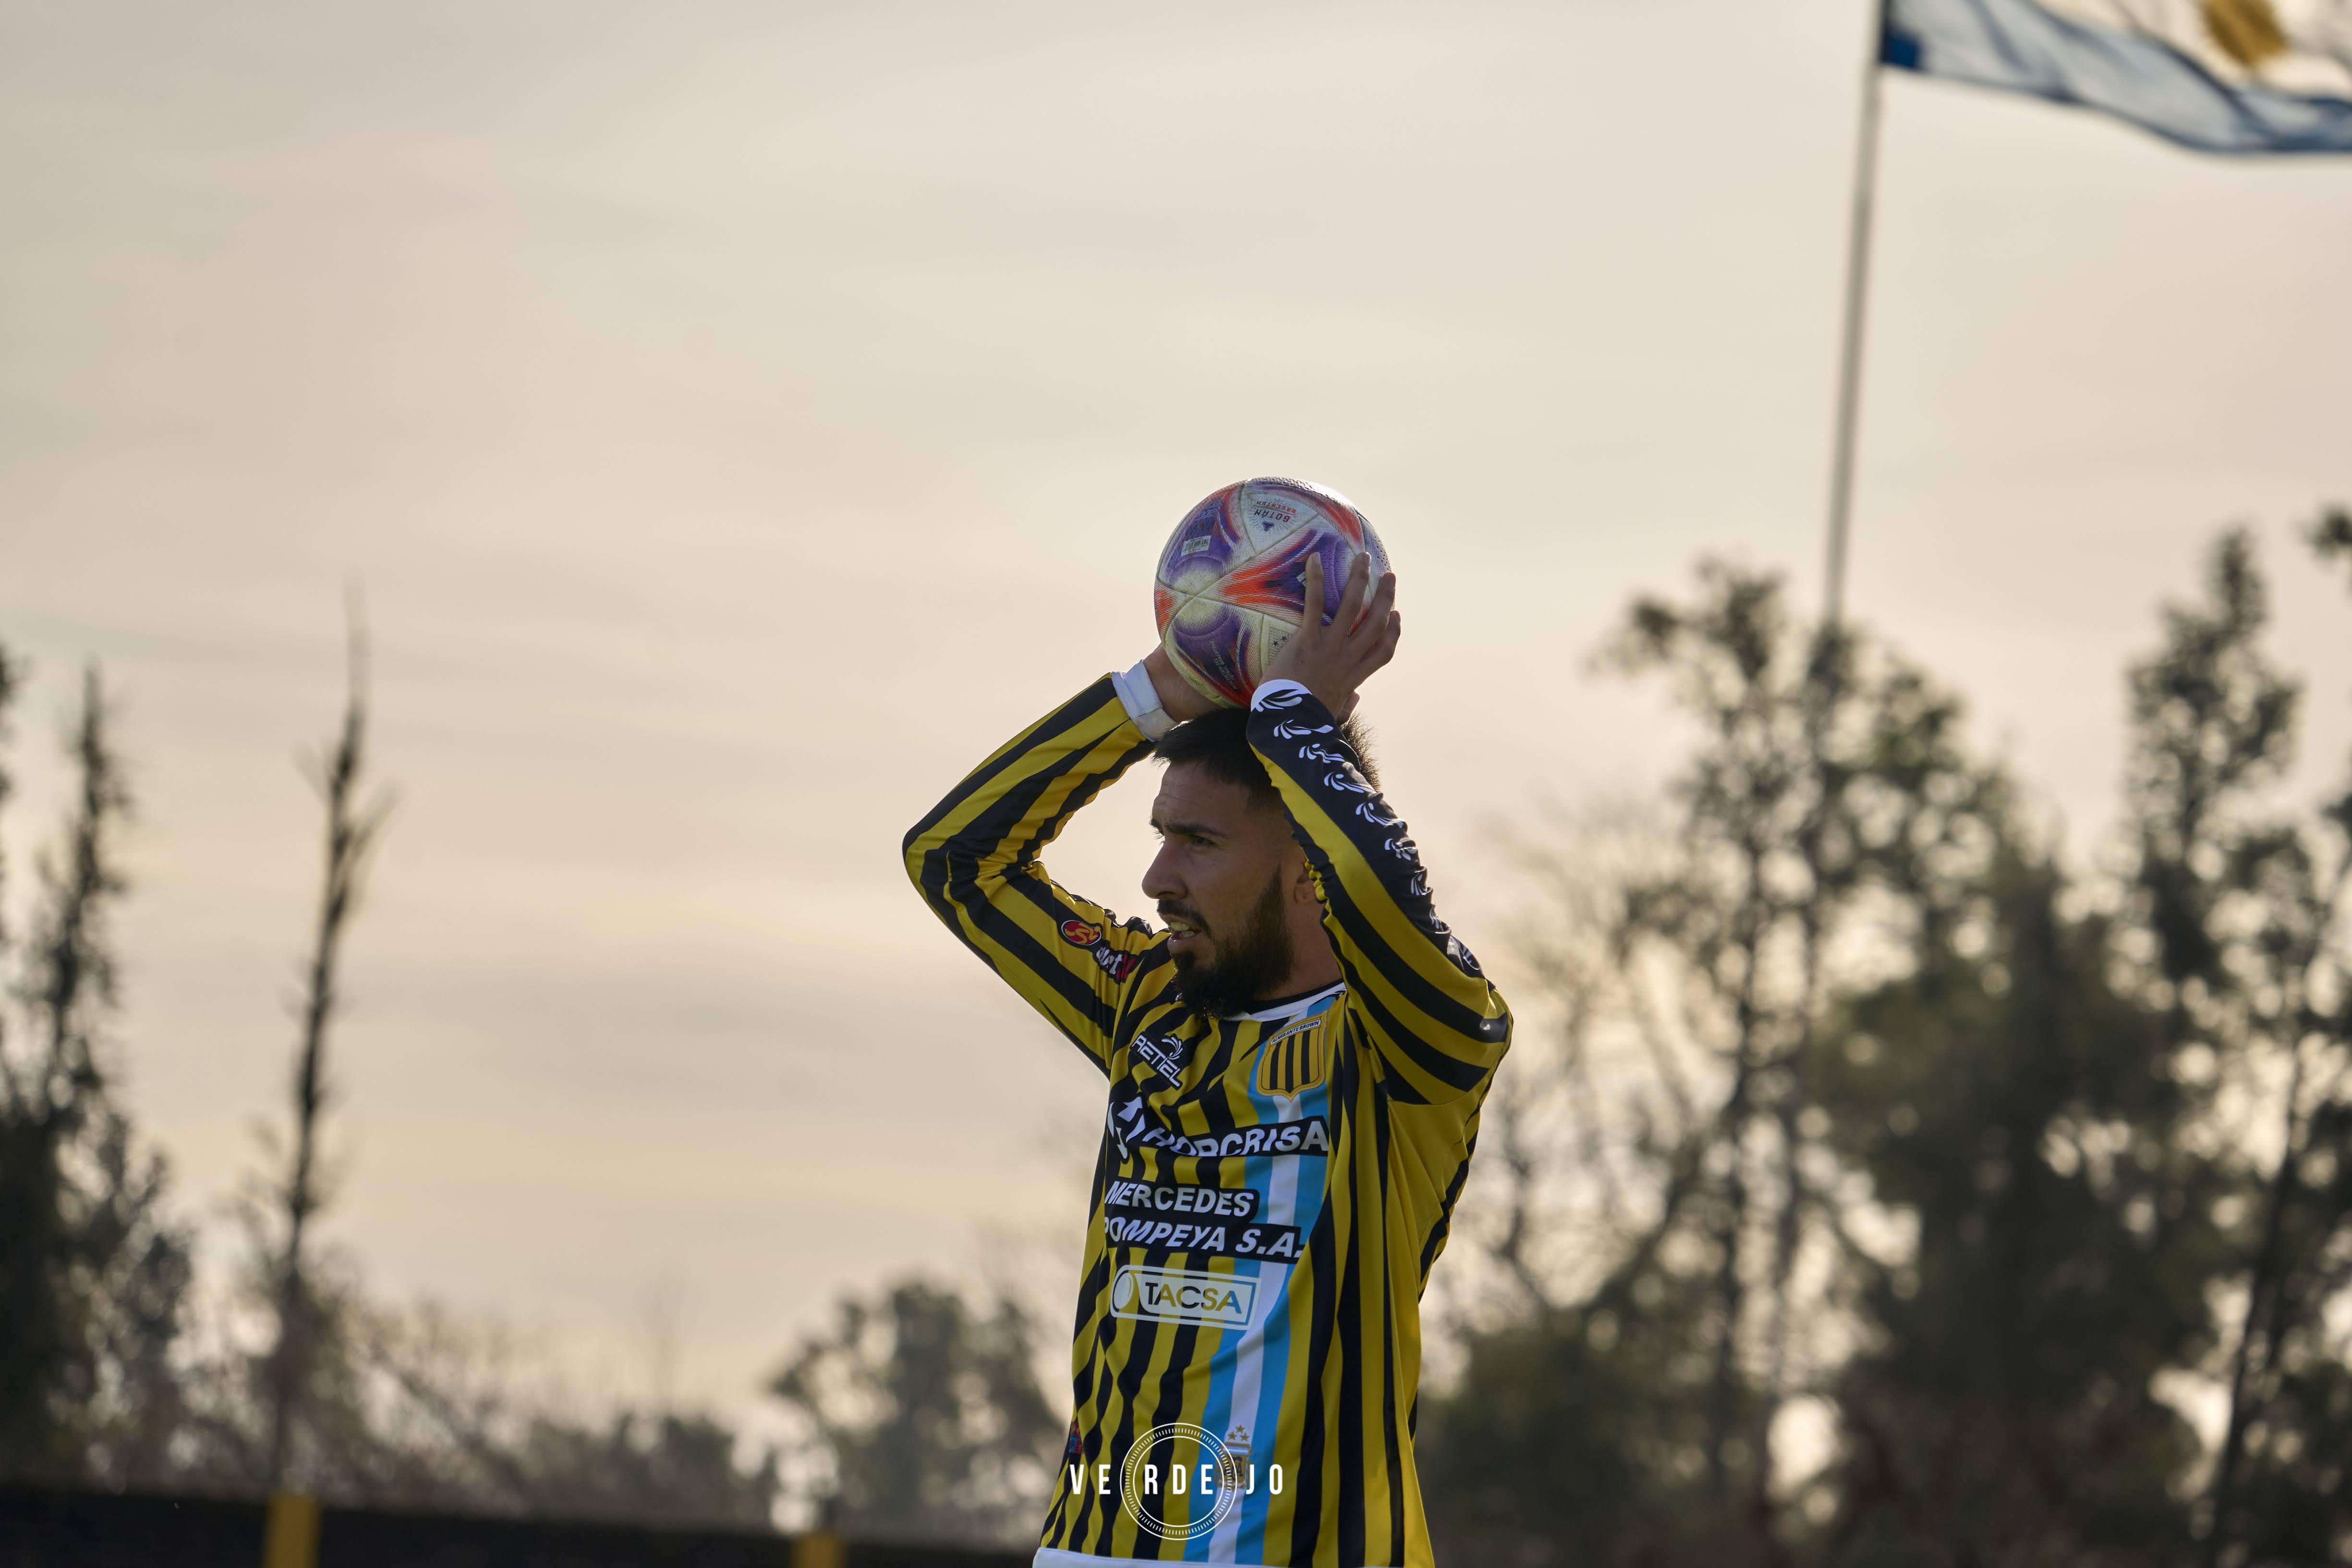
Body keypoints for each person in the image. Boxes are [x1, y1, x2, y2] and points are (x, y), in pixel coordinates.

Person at [903, 553, 1510, 1568]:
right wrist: (1155, 690)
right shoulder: (1146, 1004)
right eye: (1160, 835)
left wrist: (1298, 715)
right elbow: (954, 860)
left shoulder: (1413, 1041)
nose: (1155, 876)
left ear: (1307, 864)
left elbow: (1381, 889)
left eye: (1197, 842)